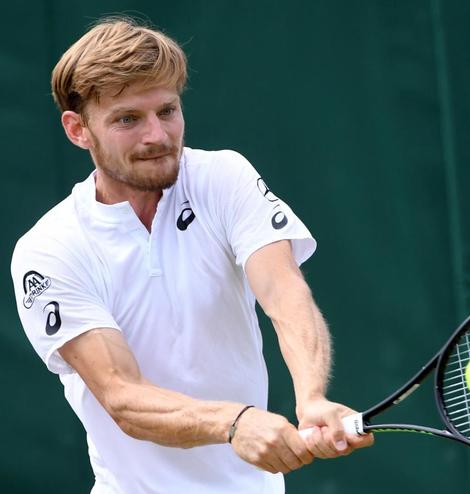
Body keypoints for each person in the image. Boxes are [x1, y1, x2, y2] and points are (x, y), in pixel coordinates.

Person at [11, 16, 372, 493]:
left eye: (167, 111)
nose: (157, 136)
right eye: (127, 119)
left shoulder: (223, 178)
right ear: (78, 130)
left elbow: (284, 292)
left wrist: (311, 397)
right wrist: (235, 422)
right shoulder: (49, 249)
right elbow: (122, 396)